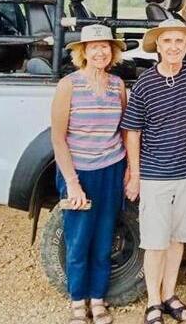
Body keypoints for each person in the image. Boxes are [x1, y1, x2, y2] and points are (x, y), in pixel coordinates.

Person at [121, 19, 186, 324]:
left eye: (179, 42)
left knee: (177, 239)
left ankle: (170, 294)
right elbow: (133, 131)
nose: (173, 47)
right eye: (167, 41)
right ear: (157, 46)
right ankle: (153, 302)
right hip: (156, 175)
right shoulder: (145, 83)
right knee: (155, 242)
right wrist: (135, 174)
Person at [50, 24, 128, 324]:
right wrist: (72, 183)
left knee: (105, 236)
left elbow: (122, 130)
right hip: (79, 172)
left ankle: (98, 300)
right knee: (79, 239)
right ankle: (77, 303)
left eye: (105, 47)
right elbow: (58, 138)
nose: (100, 51)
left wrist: (128, 170)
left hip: (110, 169)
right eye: (93, 47)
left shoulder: (117, 85)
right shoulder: (68, 85)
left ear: (113, 52)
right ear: (83, 52)